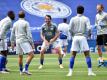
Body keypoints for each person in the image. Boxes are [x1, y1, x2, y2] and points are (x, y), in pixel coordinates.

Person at [67, 5, 96, 76]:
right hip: (82, 37)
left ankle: (70, 72)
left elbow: (69, 29)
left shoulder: (73, 19)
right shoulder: (86, 18)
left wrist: (73, 35)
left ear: (77, 11)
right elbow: (89, 29)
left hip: (75, 37)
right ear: (83, 11)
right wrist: (87, 35)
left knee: (73, 55)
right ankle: (90, 72)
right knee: (87, 54)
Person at [10, 11, 35, 75]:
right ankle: (25, 69)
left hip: (17, 41)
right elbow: (29, 35)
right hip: (23, 40)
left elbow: (12, 34)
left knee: (20, 56)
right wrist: (32, 43)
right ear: (24, 15)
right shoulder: (26, 23)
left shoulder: (15, 23)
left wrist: (12, 43)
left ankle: (21, 71)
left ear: (18, 16)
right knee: (31, 54)